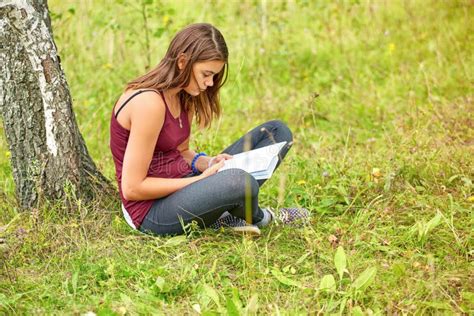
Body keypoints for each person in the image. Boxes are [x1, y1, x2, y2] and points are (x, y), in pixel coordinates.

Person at [110, 23, 308, 236]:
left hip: (184, 184)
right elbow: (132, 189)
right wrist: (200, 181)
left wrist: (208, 162)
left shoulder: (182, 95)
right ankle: (265, 217)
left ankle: (218, 213)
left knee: (278, 133)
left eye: (214, 75)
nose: (210, 83)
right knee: (239, 181)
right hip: (152, 211)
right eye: (206, 74)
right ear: (183, 62)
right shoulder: (148, 104)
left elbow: (182, 152)